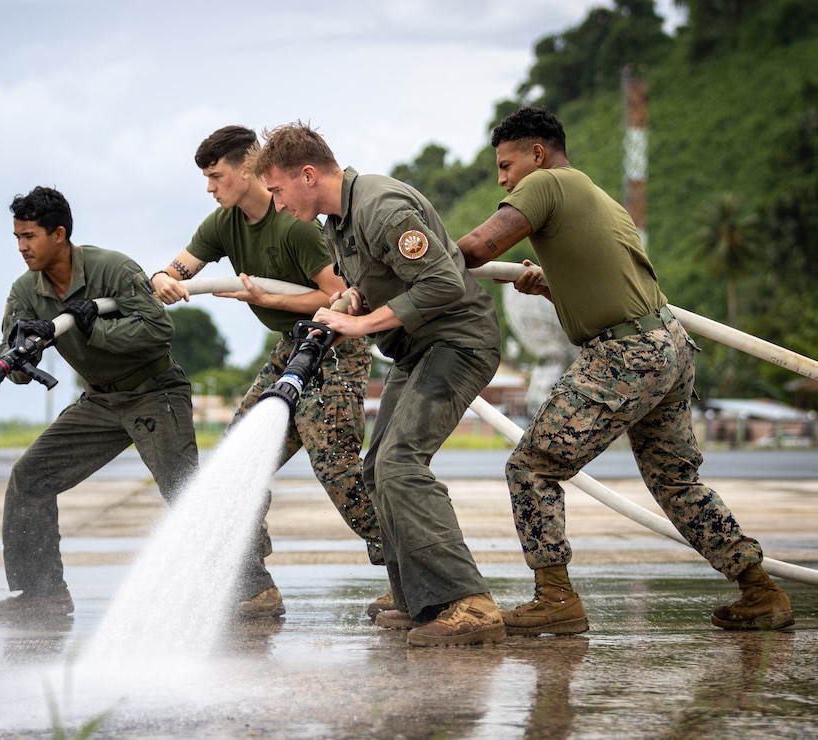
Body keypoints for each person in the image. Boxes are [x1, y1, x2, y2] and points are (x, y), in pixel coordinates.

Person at [457, 106, 794, 634]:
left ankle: (556, 599)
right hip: (668, 345)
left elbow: (477, 247)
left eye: (506, 165)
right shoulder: (595, 195)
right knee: (676, 482)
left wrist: (414, 266)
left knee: (532, 466)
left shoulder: (545, 184)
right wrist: (549, 284)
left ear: (537, 155)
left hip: (626, 353)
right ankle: (761, 591)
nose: (503, 179)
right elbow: (613, 279)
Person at [249, 122, 506, 647]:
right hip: (416, 350)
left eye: (276, 191)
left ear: (307, 174)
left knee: (399, 463)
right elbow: (371, 284)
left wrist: (360, 326)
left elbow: (444, 280)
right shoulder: (337, 223)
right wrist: (345, 305)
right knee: (376, 467)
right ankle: (417, 599)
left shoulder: (381, 206)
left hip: (457, 343)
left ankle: (469, 604)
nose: (276, 206)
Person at [150, 125, 386, 619]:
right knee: (232, 467)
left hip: (334, 346)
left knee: (339, 472)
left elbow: (339, 296)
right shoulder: (223, 223)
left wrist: (266, 297)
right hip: (291, 347)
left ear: (247, 167)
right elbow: (179, 267)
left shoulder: (295, 225)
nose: (211, 188)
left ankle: (414, 577)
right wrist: (162, 278)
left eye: (216, 176)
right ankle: (253, 587)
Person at [0, 186, 199, 620]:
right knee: (30, 478)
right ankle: (43, 594)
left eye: (30, 236)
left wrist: (92, 330)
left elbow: (159, 330)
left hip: (153, 391)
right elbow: (19, 369)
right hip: (100, 402)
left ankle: (249, 590)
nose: (22, 247)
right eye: (17, 238)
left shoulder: (112, 268)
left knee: (188, 493)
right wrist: (22, 353)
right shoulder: (25, 291)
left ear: (58, 234)